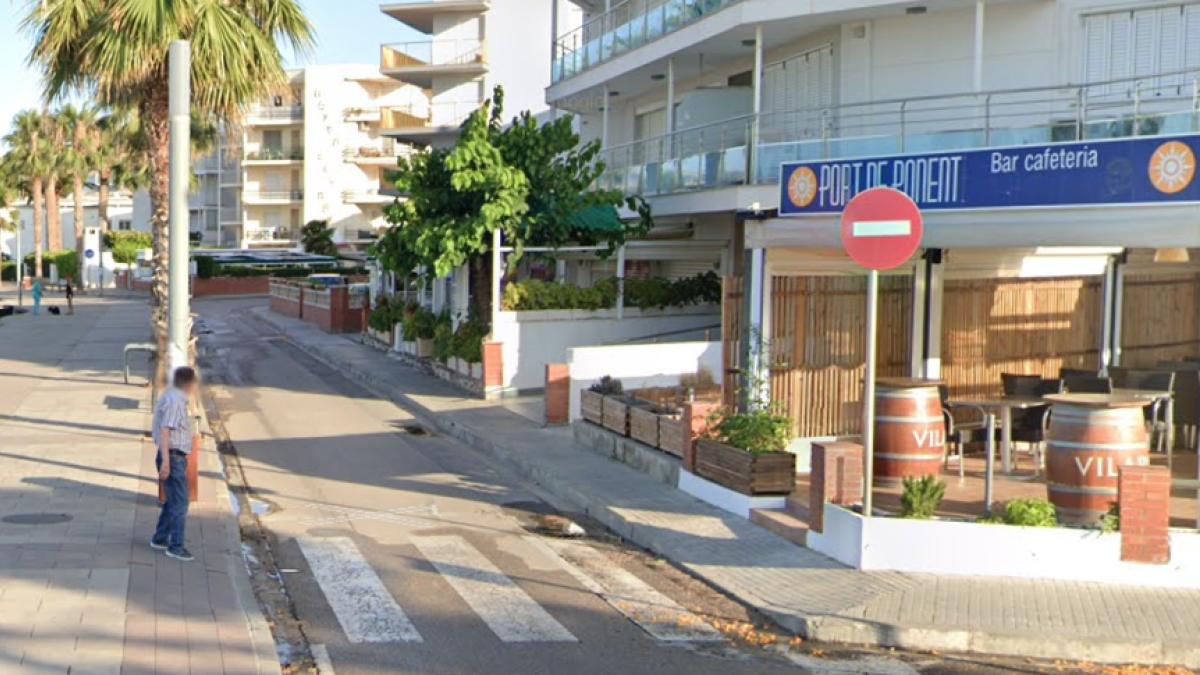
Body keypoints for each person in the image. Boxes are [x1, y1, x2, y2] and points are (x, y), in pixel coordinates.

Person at [150, 367, 199, 562]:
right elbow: (165, 431)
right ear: (188, 383)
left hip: (173, 456)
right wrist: (166, 463)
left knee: (172, 501)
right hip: (173, 457)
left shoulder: (172, 396)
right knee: (180, 503)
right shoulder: (176, 401)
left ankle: (160, 538)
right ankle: (176, 546)